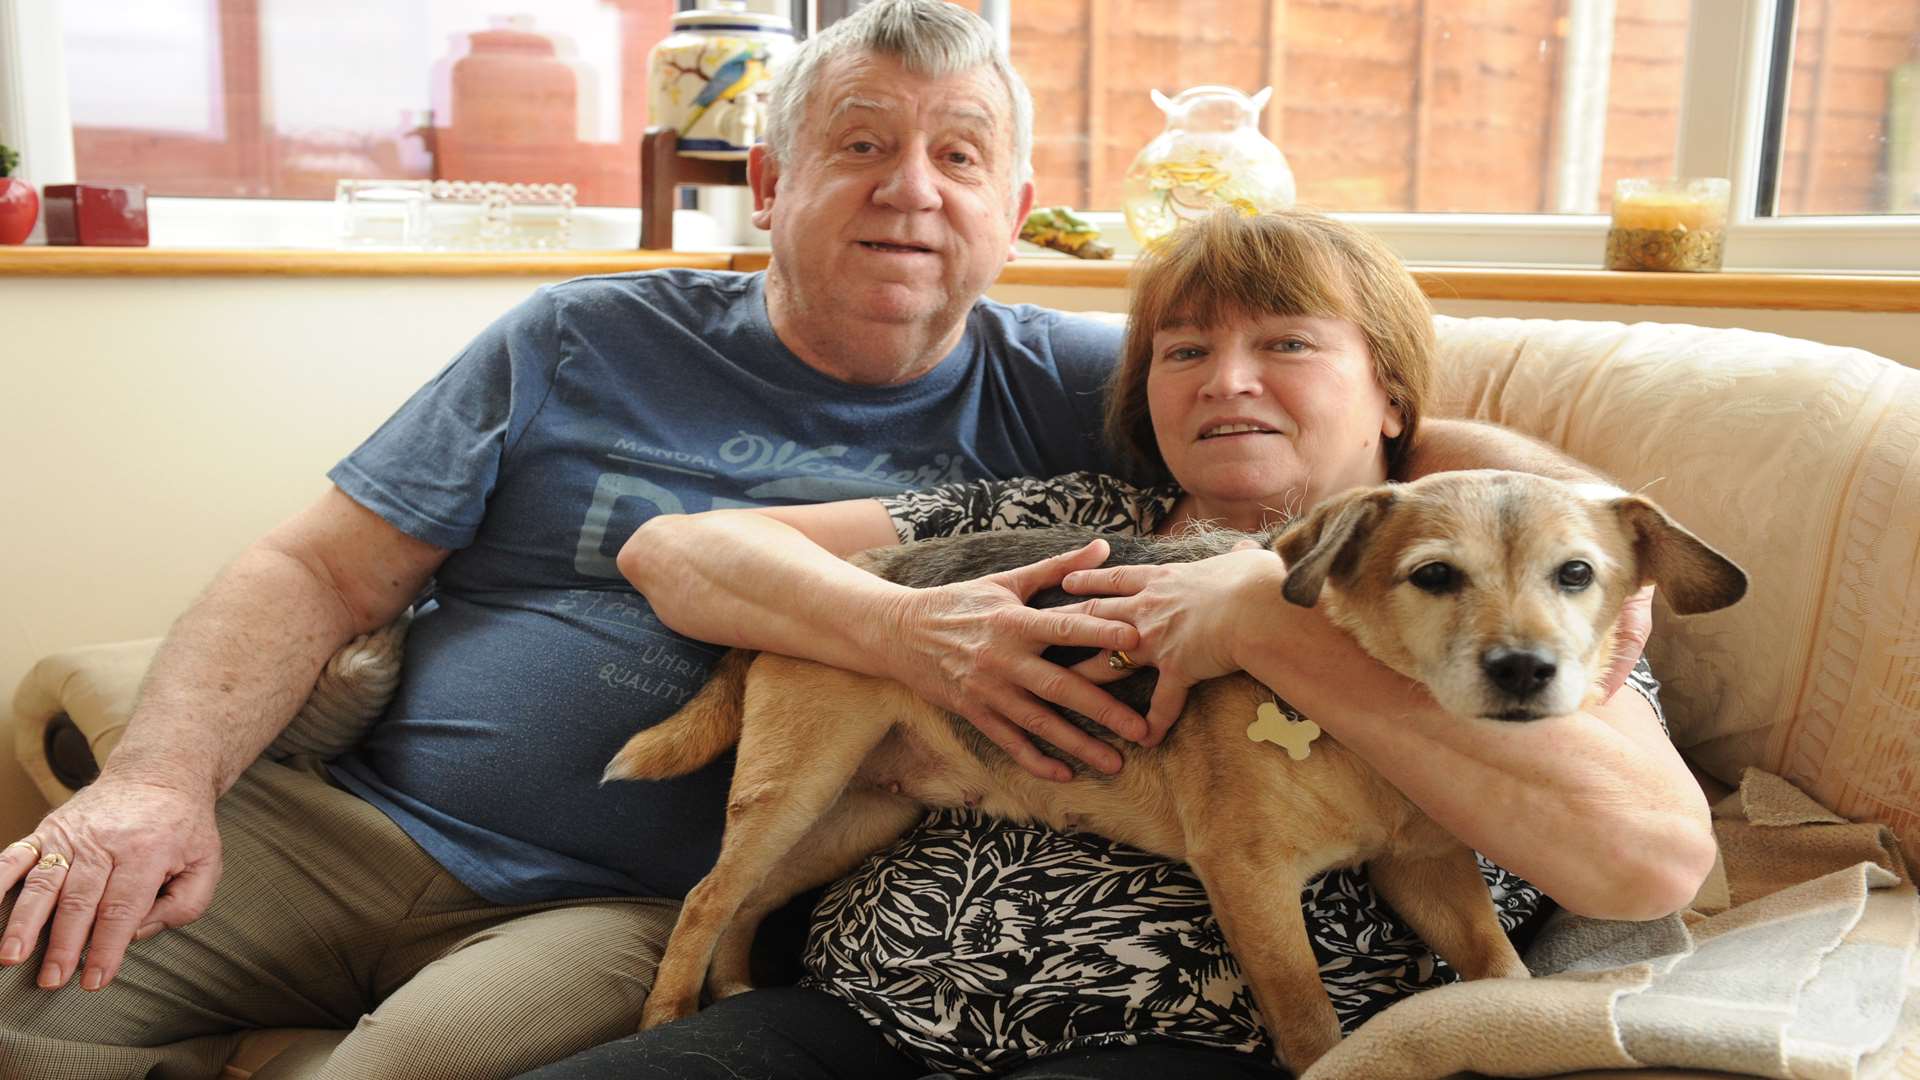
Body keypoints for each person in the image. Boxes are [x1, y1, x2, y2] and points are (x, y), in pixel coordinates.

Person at [519, 209, 1712, 1080]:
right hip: (844, 1019)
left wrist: (1260, 609)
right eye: (1183, 353)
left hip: (1181, 1045)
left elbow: (1648, 863)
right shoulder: (1054, 523)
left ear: (1392, 394)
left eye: (1288, 344)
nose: (1226, 381)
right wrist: (907, 629)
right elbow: (678, 551)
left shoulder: (1544, 606)